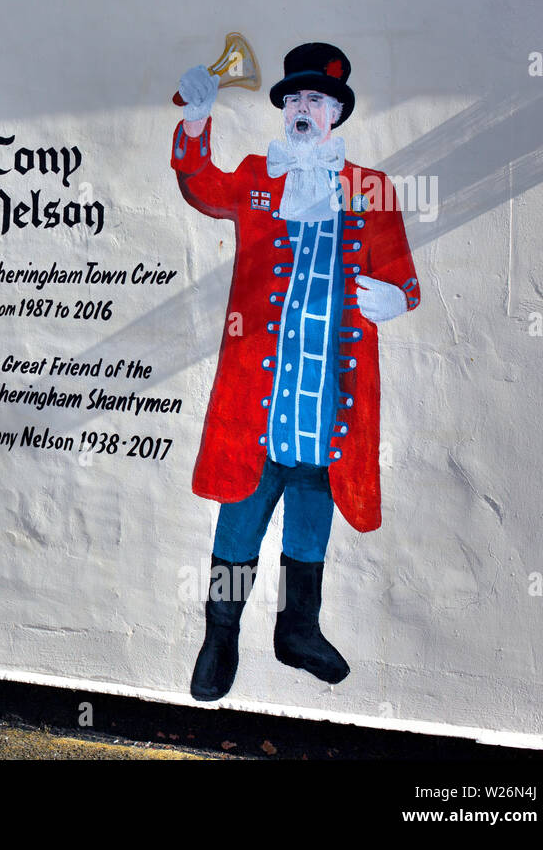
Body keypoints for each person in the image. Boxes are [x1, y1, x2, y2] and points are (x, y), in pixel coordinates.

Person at [170, 42, 421, 701]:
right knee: (238, 526)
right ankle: (220, 636)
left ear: (336, 112)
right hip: (260, 399)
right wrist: (197, 121)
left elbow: (401, 275)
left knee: (312, 520)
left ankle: (297, 629)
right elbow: (201, 186)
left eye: (316, 99)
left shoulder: (371, 189)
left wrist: (396, 298)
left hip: (328, 403)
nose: (303, 109)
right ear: (285, 111)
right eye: (294, 99)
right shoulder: (258, 175)